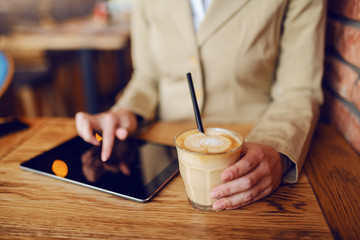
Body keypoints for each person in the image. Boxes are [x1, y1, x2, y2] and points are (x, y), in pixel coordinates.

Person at [76, 0, 326, 211]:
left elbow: (300, 89)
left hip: (250, 163)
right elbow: (148, 77)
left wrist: (276, 149)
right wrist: (127, 111)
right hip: (160, 163)